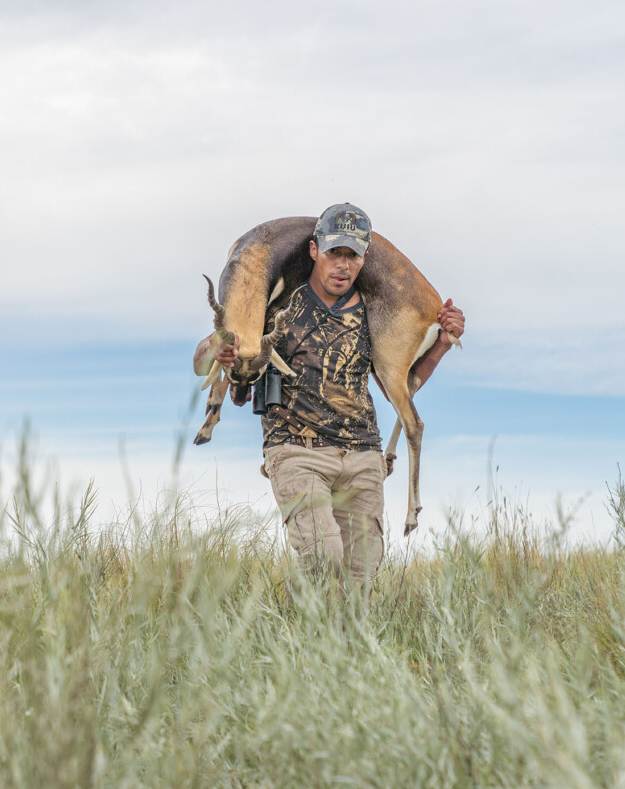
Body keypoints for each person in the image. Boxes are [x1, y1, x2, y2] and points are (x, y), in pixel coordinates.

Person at [192, 204, 464, 596]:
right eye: (334, 252)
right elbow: (210, 365)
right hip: (296, 452)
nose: (343, 264)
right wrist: (218, 349)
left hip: (362, 457)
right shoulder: (276, 301)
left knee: (360, 585)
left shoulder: (373, 309)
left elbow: (401, 386)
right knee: (322, 557)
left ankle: (328, 652)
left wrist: (440, 344)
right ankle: (292, 639)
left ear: (364, 259)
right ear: (314, 250)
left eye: (352, 255)